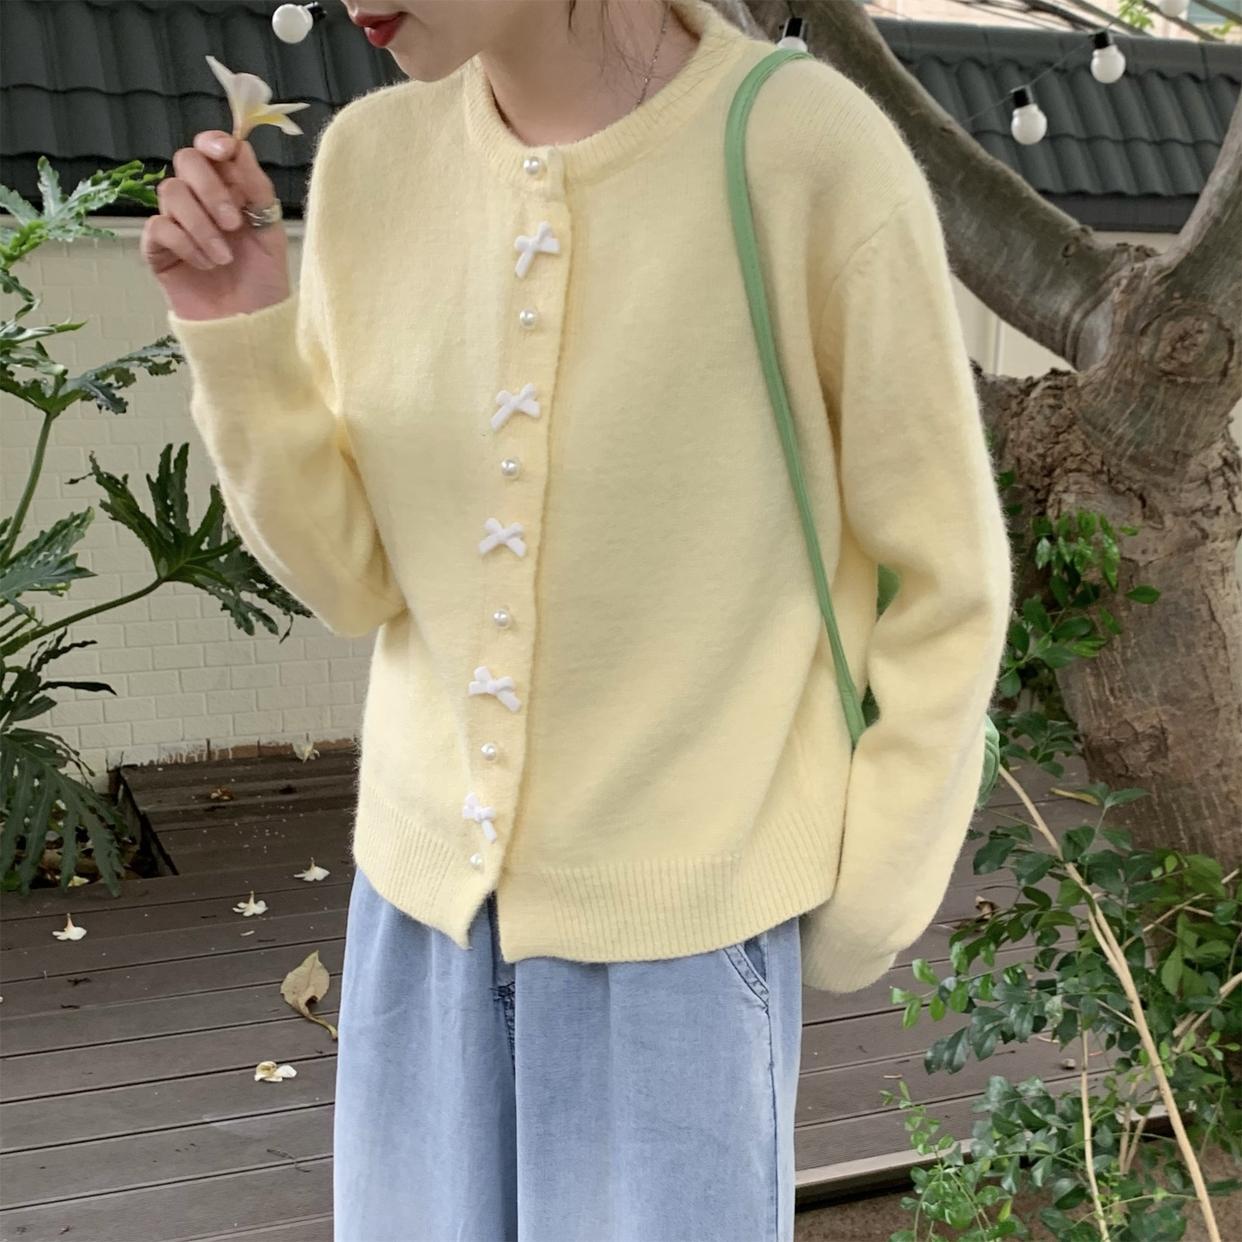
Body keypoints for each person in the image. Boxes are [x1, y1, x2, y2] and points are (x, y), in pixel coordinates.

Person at [142, 1, 1014, 1238]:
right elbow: (356, 582)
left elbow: (946, 577)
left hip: (683, 956)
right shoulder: (371, 164)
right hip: (418, 928)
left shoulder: (806, 153)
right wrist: (239, 333)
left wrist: (864, 890)